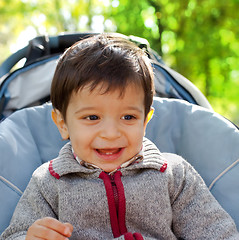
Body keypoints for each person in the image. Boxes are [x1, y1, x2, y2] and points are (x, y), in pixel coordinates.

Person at [1, 33, 239, 240]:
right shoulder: (47, 182)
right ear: (63, 124)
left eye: (128, 118)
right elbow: (15, 233)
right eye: (92, 118)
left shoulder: (174, 175)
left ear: (146, 121)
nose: (111, 133)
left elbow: (217, 232)